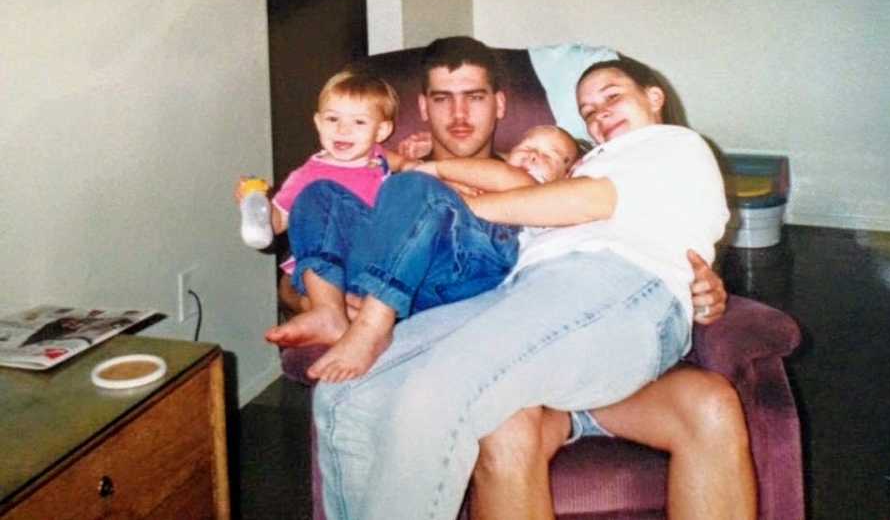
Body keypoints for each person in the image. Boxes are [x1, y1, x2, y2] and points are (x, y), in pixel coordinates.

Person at [279, 37, 753, 518]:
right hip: (525, 314)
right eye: (587, 110)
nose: (600, 114)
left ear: (654, 97)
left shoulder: (665, 145)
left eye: (612, 96)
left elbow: (591, 204)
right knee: (347, 393)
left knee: (436, 393)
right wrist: (327, 301)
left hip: (592, 298)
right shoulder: (389, 173)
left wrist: (446, 208)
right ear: (423, 107)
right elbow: (318, 247)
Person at [269, 124, 581, 382]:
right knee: (319, 194)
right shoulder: (465, 174)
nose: (534, 155)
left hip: (472, 265)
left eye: (551, 156)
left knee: (412, 187)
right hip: (408, 266)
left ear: (567, 178)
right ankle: (329, 311)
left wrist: (430, 170)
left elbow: (511, 179)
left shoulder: (537, 192)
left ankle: (372, 327)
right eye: (527, 145)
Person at [237, 69, 409, 347]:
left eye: (359, 122)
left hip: (374, 267)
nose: (343, 130)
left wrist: (414, 157)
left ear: (382, 130)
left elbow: (404, 168)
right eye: (332, 119)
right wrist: (258, 208)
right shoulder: (308, 174)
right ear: (318, 123)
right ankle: (328, 313)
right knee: (317, 202)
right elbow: (279, 222)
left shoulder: (380, 161)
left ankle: (356, 322)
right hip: (327, 271)